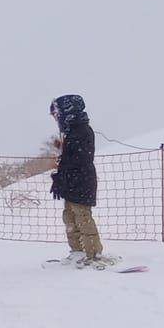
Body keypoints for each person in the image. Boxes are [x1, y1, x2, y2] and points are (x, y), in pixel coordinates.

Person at [49, 94, 108, 267]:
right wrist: (62, 152)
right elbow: (72, 155)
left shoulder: (82, 130)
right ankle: (77, 252)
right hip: (72, 181)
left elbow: (81, 158)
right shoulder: (72, 131)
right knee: (69, 217)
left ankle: (93, 254)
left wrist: (63, 165)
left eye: (56, 114)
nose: (56, 119)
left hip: (81, 181)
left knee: (82, 217)